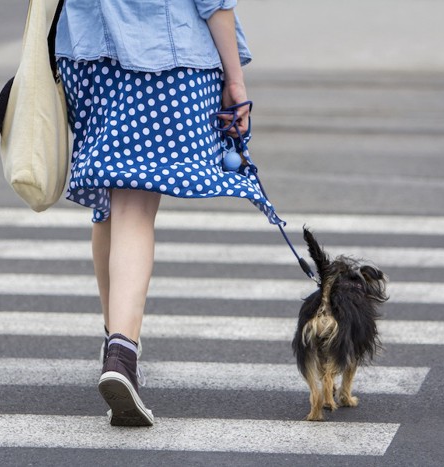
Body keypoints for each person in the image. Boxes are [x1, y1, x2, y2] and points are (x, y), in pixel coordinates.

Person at [54, 0, 277, 426]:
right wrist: (236, 80)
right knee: (134, 206)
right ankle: (121, 353)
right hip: (165, 56)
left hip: (86, 55)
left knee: (111, 207)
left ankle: (116, 343)